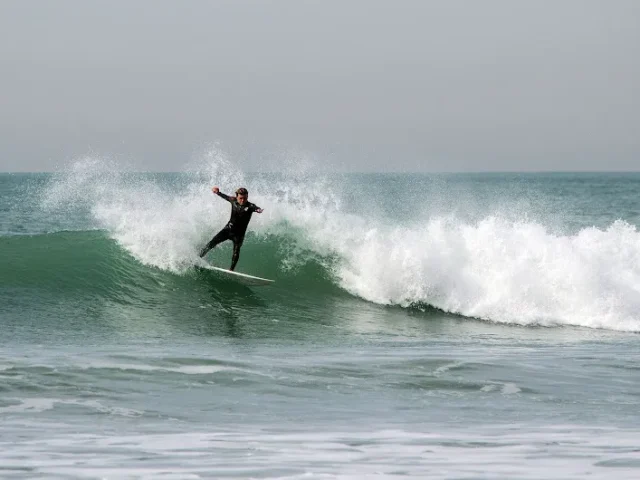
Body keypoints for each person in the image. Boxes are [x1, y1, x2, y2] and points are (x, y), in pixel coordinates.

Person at [199, 187, 264, 271]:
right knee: (212, 243)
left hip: (239, 234)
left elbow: (256, 208)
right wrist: (218, 192)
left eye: (245, 198)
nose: (243, 200)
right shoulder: (233, 200)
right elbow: (225, 196)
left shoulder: (250, 206)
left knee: (236, 251)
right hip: (228, 230)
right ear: (236, 196)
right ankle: (198, 257)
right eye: (241, 198)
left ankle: (231, 270)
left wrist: (258, 210)